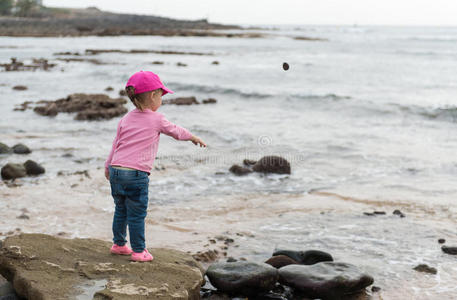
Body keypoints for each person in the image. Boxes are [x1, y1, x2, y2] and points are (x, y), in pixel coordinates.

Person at [105, 71, 206, 262]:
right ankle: (139, 251)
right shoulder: (157, 119)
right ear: (153, 96)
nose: (162, 99)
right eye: (161, 95)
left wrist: (107, 166)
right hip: (136, 173)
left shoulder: (125, 119)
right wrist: (192, 137)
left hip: (116, 169)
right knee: (136, 213)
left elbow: (115, 144)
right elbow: (176, 131)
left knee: (121, 209)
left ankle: (118, 244)